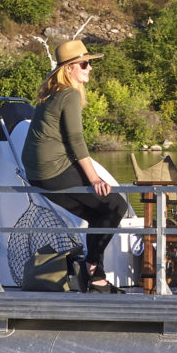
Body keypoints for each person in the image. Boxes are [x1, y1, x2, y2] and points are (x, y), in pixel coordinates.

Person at [22, 39, 130, 292]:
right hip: (53, 170)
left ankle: (96, 276)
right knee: (117, 205)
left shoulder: (53, 94)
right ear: (68, 69)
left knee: (99, 213)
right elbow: (75, 139)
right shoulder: (68, 94)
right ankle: (92, 267)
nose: (89, 67)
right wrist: (94, 178)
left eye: (89, 63)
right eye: (84, 63)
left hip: (39, 174)